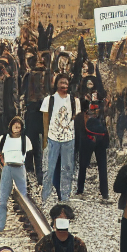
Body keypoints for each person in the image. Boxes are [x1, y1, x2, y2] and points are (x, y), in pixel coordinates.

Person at [40, 73, 80, 205]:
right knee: (49, 169)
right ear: (56, 84)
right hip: (52, 139)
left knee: (67, 169)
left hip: (69, 139)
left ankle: (65, 198)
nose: (64, 85)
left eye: (66, 82)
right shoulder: (49, 100)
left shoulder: (75, 101)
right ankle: (45, 198)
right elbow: (45, 121)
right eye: (61, 82)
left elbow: (76, 119)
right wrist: (45, 141)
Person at [0, 116, 32, 234]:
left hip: (19, 168)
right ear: (10, 126)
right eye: (14, 124)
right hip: (8, 168)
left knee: (24, 197)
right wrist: (4, 162)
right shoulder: (3, 138)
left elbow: (29, 154)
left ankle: (29, 224)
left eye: (19, 125)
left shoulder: (25, 139)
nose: (16, 127)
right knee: (3, 199)